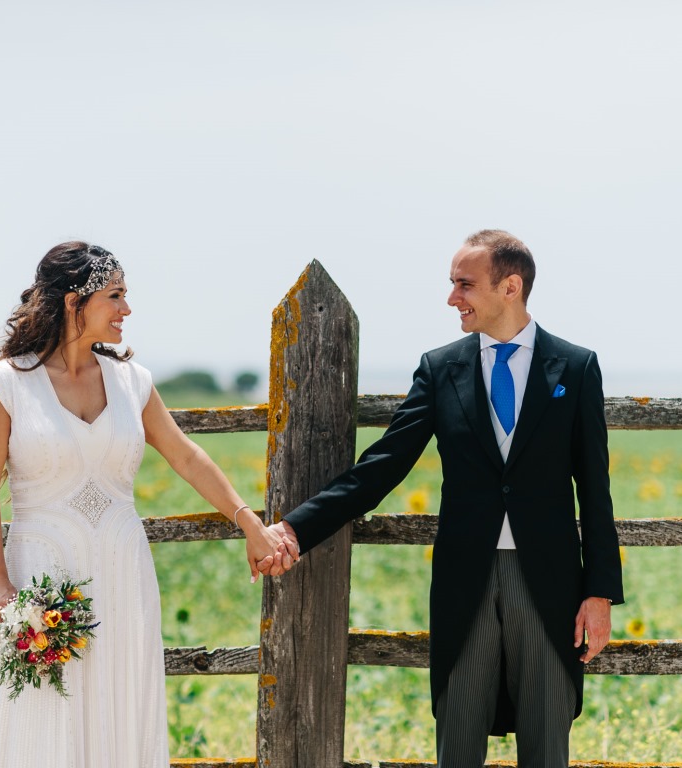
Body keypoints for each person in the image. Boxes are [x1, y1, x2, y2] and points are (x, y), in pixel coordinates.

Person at [262, 230, 624, 767]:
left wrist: (599, 594)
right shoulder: (440, 368)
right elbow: (383, 465)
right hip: (465, 582)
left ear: (510, 286)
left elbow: (595, 488)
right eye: (452, 284)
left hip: (549, 585)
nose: (452, 297)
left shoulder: (575, 367)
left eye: (464, 284)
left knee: (547, 744)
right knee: (458, 740)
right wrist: (296, 528)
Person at [0, 242, 292, 767]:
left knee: (123, 703)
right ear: (75, 301)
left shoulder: (131, 381)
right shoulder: (7, 383)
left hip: (122, 569)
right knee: (44, 713)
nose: (127, 309)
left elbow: (186, 457)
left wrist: (249, 522)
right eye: (115, 295)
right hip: (41, 572)